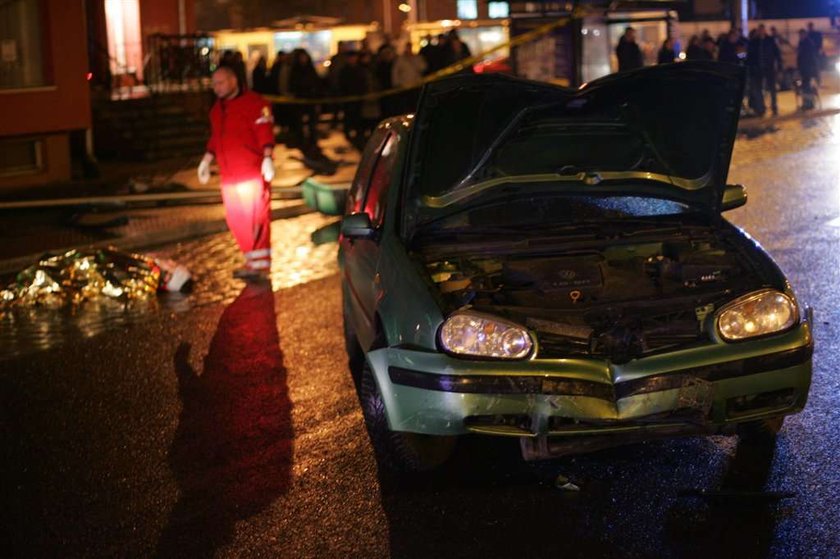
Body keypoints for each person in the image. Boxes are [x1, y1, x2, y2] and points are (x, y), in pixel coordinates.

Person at [197, 66, 275, 280]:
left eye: (220, 83)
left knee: (256, 218)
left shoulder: (255, 104)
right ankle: (252, 262)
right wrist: (206, 159)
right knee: (236, 220)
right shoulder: (217, 109)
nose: (216, 88)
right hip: (229, 175)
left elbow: (264, 131)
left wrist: (267, 157)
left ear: (233, 81)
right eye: (214, 84)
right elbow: (216, 137)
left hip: (251, 171)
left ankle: (260, 265)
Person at [747, 24, 782, 116]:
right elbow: (749, 55)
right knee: (759, 89)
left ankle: (774, 106)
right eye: (759, 30)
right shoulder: (754, 42)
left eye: (762, 30)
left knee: (772, 88)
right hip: (757, 69)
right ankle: (761, 107)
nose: (761, 32)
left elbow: (777, 53)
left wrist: (779, 64)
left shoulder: (770, 40)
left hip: (769, 68)